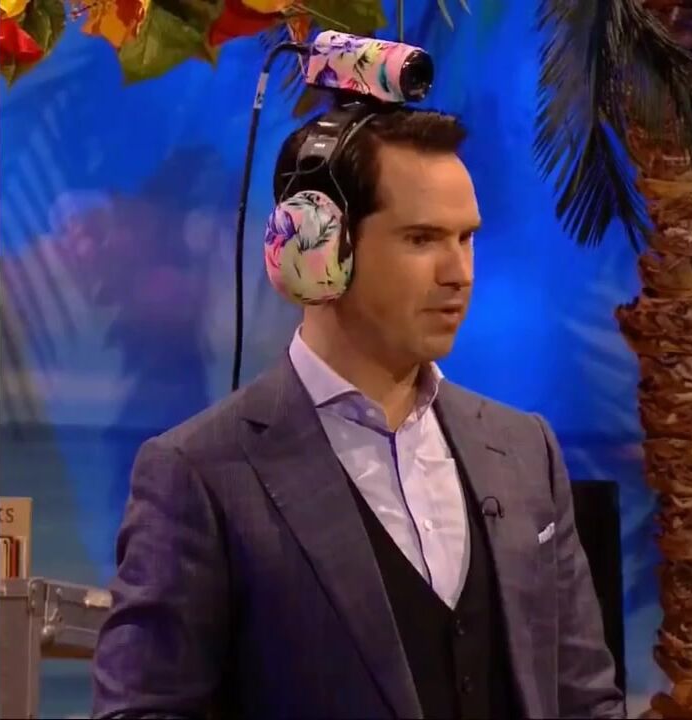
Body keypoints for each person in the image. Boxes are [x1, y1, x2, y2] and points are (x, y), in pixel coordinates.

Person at [92, 103, 626, 720]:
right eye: (421, 239)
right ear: (318, 249)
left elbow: (586, 699)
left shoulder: (524, 450)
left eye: (466, 238)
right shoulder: (200, 474)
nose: (458, 273)